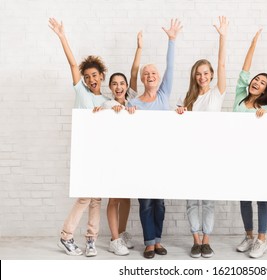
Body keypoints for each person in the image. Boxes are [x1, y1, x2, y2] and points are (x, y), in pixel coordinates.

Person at [49, 17, 110, 257]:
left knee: (96, 198)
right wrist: (62, 36)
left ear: (102, 76)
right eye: (87, 77)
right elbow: (73, 65)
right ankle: (66, 236)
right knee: (86, 196)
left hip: (101, 152)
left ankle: (91, 240)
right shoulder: (82, 93)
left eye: (94, 75)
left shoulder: (106, 101)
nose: (91, 79)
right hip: (85, 151)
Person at [127, 18, 182, 259]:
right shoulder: (134, 103)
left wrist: (171, 40)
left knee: (159, 203)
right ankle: (149, 243)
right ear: (141, 79)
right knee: (146, 203)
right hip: (141, 160)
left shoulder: (163, 96)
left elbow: (171, 68)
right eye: (146, 73)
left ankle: (157, 240)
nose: (150, 75)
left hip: (163, 160)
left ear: (158, 78)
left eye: (153, 73)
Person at [176, 16, 228, 258]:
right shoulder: (188, 99)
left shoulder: (217, 94)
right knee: (191, 201)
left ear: (211, 75)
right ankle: (195, 240)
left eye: (206, 73)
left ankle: (206, 240)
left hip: (212, 154)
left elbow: (222, 65)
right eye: (198, 73)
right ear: (194, 76)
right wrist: (180, 114)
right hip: (189, 155)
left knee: (207, 201)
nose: (202, 76)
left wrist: (222, 37)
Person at [92, 32, 142, 256]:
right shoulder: (107, 104)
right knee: (114, 198)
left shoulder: (133, 101)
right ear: (110, 87)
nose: (119, 86)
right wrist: (108, 111)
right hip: (112, 157)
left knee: (126, 197)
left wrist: (139, 48)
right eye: (115, 84)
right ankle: (114, 239)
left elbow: (134, 74)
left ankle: (121, 233)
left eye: (122, 83)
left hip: (130, 156)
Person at [233, 29, 267, 258]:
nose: (256, 82)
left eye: (262, 82)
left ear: (266, 90)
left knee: (261, 198)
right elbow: (244, 71)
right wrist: (252, 43)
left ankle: (262, 239)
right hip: (239, 156)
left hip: (258, 159)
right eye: (256, 80)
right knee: (244, 198)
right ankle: (249, 236)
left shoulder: (265, 109)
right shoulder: (240, 95)